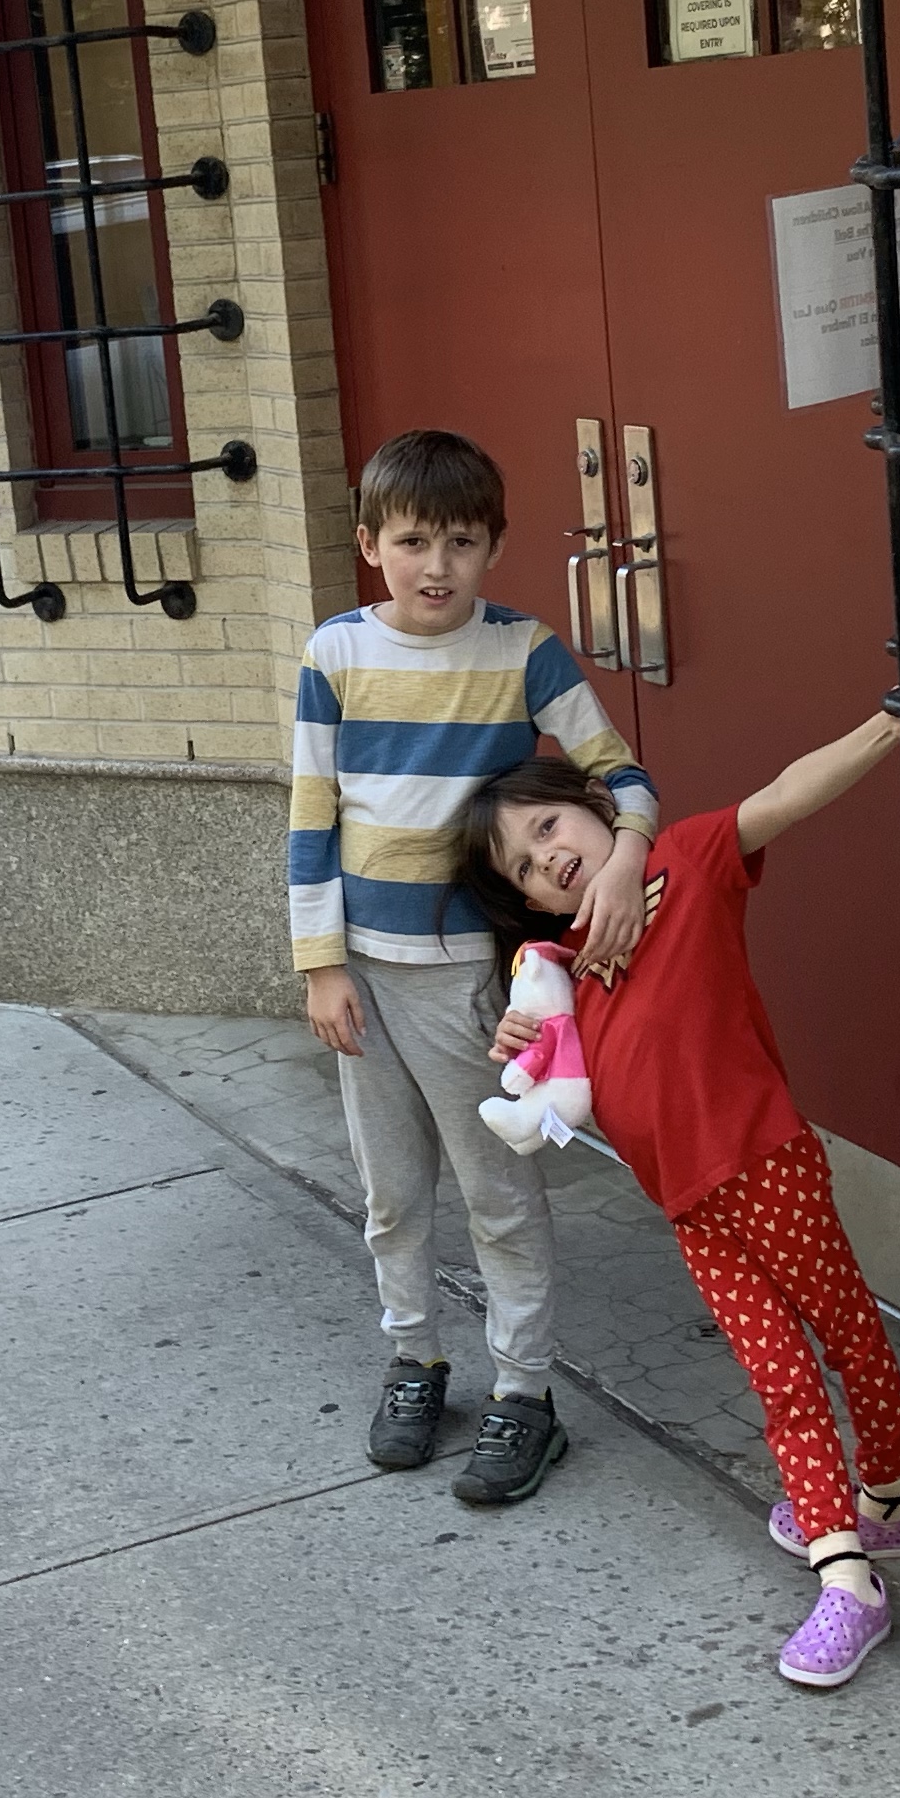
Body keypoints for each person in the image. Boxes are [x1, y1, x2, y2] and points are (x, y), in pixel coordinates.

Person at [468, 709, 900, 1688]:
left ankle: (890, 1502)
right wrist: (519, 1041)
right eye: (523, 866)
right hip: (687, 1206)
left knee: (847, 1335)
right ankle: (846, 1572)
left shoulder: (683, 860)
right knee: (780, 1379)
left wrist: (887, 725)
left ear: (594, 808)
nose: (547, 859)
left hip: (766, 1162)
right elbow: (553, 1079)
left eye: (548, 827)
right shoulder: (564, 975)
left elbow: (784, 797)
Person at [293, 428, 657, 1505]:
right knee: (392, 1191)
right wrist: (320, 963)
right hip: (364, 973)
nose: (436, 566)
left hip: (468, 979)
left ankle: (524, 1393)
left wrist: (626, 855)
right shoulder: (335, 655)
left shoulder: (524, 650)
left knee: (498, 1190)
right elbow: (311, 815)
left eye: (461, 542)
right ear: (371, 545)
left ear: (494, 546)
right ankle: (414, 1361)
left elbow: (620, 773)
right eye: (413, 541)